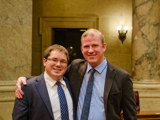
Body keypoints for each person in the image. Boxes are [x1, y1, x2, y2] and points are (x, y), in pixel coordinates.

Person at [15, 29, 137, 120]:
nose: (90, 50)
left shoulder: (122, 77)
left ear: (103, 47)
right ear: (81, 49)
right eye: (86, 46)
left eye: (95, 45)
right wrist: (24, 79)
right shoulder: (75, 67)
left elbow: (130, 116)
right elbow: (54, 73)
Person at [12, 44, 76, 120]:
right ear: (45, 61)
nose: (58, 64)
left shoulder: (72, 83)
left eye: (63, 61)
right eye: (54, 60)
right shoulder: (27, 88)